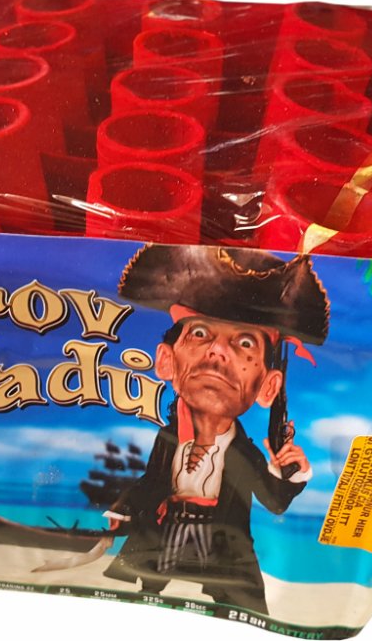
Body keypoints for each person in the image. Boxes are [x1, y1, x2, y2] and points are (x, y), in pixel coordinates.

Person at [101, 244, 330, 615]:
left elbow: (274, 502)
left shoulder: (244, 453)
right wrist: (124, 507)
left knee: (239, 603)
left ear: (267, 387)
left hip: (222, 544)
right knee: (143, 594)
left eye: (244, 343)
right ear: (167, 361)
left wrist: (289, 472)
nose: (218, 352)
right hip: (168, 530)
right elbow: (152, 482)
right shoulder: (168, 439)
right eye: (200, 333)